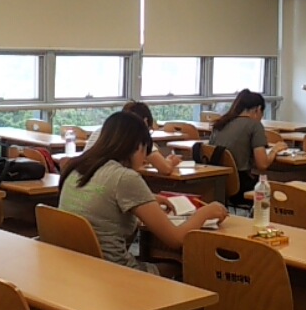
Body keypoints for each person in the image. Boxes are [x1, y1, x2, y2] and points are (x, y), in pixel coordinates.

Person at [59, 111, 227, 275]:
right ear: (138, 146)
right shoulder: (125, 177)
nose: (145, 159)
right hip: (114, 273)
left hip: (78, 267)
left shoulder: (77, 168)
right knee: (181, 266)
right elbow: (176, 239)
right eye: (145, 151)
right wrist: (206, 212)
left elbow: (102, 200)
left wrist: (148, 199)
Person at [209, 89, 288, 203]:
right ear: (258, 109)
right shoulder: (255, 125)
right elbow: (262, 164)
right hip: (241, 184)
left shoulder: (220, 124)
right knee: (276, 186)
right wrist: (274, 150)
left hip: (218, 184)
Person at [84, 101, 182, 175]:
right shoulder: (136, 135)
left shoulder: (103, 130)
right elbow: (165, 169)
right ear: (145, 121)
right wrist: (171, 161)